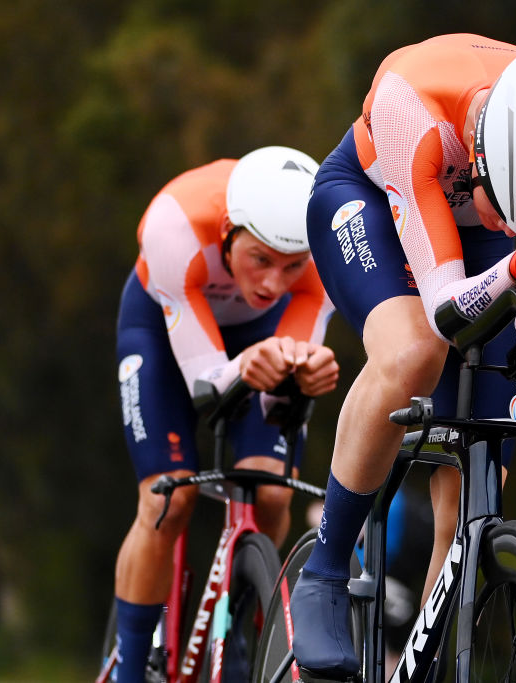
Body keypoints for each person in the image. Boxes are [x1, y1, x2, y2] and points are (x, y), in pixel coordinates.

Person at [289, 34, 516, 681]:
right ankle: (325, 569)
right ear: (477, 154)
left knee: (476, 497)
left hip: (476, 255)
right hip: (371, 202)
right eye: (511, 214)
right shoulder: (409, 100)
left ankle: (426, 663)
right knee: (414, 350)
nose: (511, 230)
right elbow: (447, 313)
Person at [112, 146, 339, 683]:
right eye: (260, 259)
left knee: (273, 491)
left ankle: (235, 630)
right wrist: (244, 368)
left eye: (292, 267)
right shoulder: (176, 225)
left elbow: (281, 394)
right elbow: (206, 387)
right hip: (163, 330)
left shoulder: (326, 247)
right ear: (228, 233)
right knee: (170, 499)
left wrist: (306, 377)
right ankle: (128, 663)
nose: (273, 284)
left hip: (255, 339)